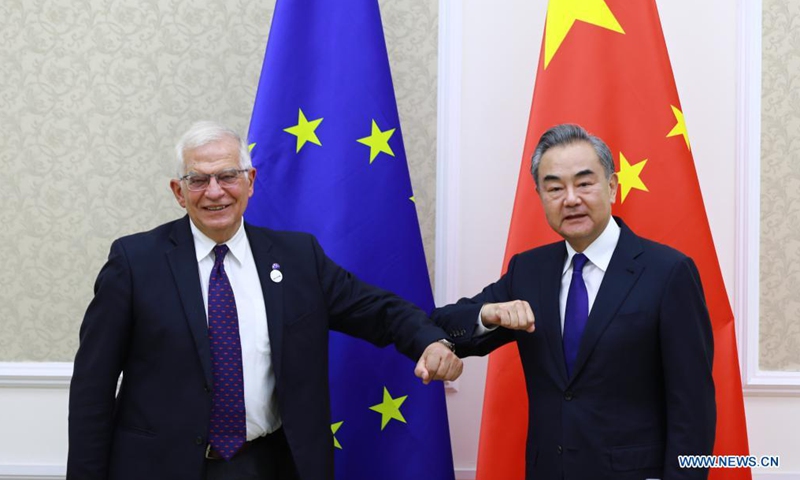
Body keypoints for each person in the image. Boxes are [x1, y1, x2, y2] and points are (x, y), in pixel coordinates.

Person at [67, 121, 462, 480]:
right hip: (159, 468)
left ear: (250, 181)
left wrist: (429, 340)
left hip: (270, 464)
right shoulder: (135, 262)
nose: (215, 191)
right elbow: (93, 386)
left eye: (227, 176)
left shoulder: (298, 258)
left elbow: (376, 310)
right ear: (178, 192)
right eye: (198, 180)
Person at [434, 124, 716, 480]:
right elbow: (441, 324)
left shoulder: (668, 272)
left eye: (584, 183)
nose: (570, 199)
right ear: (540, 196)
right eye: (554, 188)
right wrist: (487, 314)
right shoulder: (529, 271)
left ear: (612, 186)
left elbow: (693, 408)